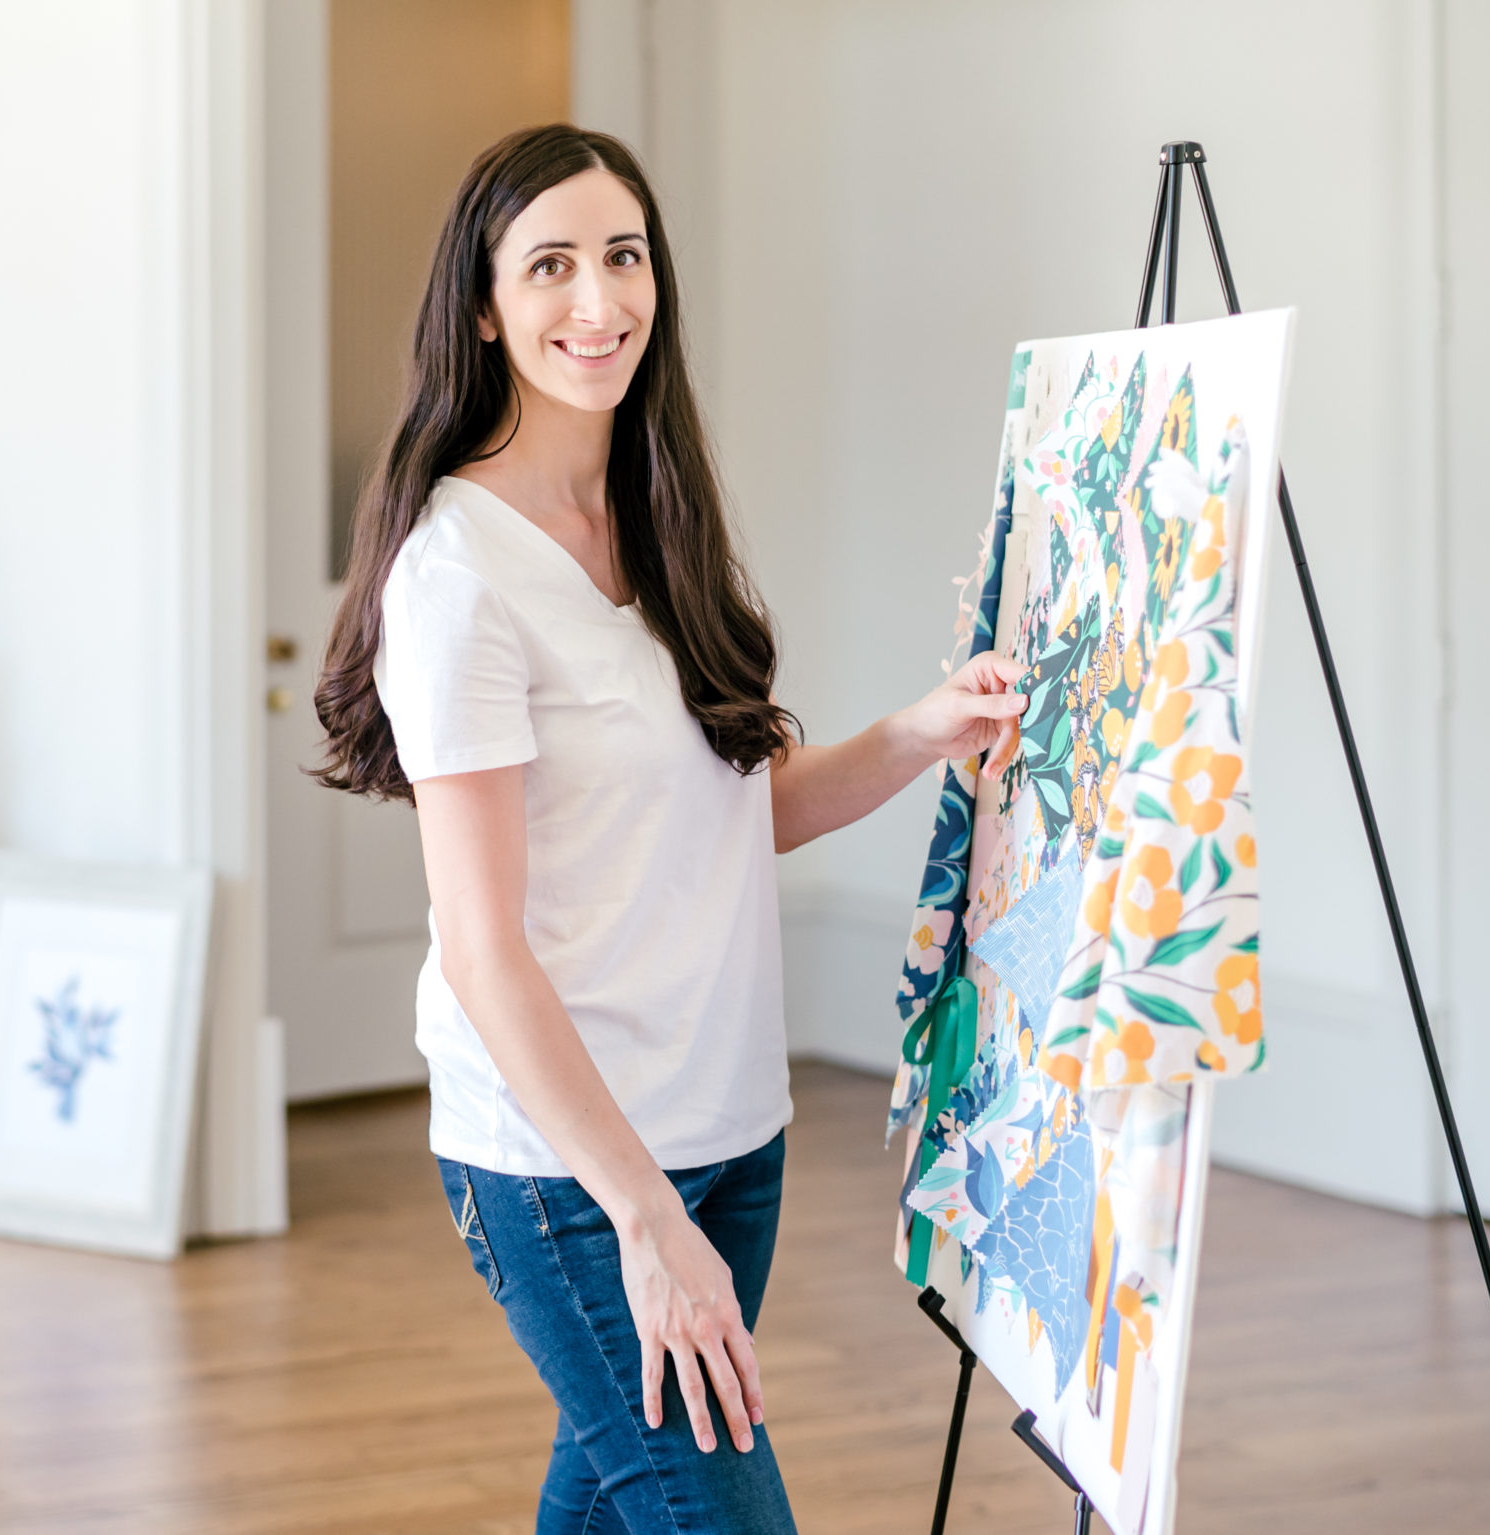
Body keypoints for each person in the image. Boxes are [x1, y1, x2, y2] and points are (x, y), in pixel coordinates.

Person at [312, 124, 1023, 1534]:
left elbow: (719, 816)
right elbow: (482, 953)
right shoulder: (460, 579)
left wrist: (921, 732)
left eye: (623, 258)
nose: (599, 302)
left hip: (728, 1127)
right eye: (554, 266)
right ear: (485, 309)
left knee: (611, 1499)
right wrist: (641, 1216)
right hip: (569, 1168)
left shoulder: (655, 518)